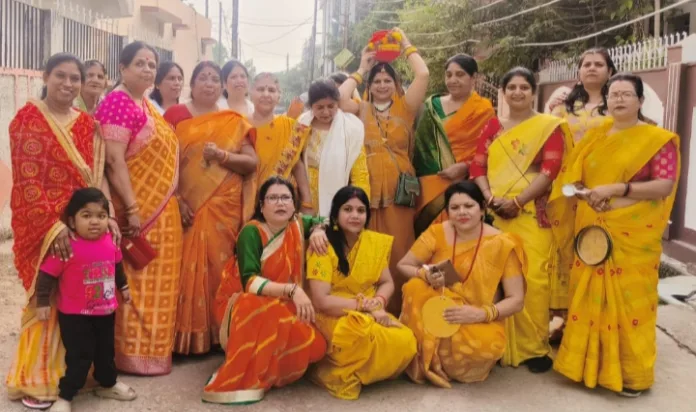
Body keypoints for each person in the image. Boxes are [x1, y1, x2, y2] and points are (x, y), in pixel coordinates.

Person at [549, 73, 680, 397]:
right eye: (614, 94)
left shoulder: (657, 139)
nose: (619, 99)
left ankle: (631, 375)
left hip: (632, 230)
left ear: (640, 100)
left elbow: (663, 185)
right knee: (588, 295)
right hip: (592, 224)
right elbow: (575, 174)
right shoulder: (596, 135)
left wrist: (617, 189)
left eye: (626, 94)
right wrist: (584, 192)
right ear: (606, 100)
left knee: (630, 302)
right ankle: (585, 367)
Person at [5, 53, 120, 411]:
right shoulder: (27, 119)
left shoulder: (86, 124)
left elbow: (94, 177)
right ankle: (41, 378)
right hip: (45, 225)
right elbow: (27, 179)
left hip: (85, 224)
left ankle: (82, 375)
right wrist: (53, 226)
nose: (68, 84)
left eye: (75, 78)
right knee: (47, 298)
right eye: (61, 76)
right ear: (46, 76)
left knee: (82, 297)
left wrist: (106, 215)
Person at [470, 67, 573, 373]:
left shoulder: (548, 127)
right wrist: (489, 198)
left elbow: (550, 170)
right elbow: (477, 167)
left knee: (534, 278)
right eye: (511, 87)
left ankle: (533, 348)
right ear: (503, 92)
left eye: (524, 87)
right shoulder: (492, 127)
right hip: (496, 212)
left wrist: (518, 201)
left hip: (531, 212)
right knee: (495, 277)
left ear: (533, 92)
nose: (517, 92)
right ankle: (497, 345)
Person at [94, 41, 183, 375]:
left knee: (156, 284)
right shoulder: (118, 102)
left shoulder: (145, 104)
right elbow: (113, 161)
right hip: (137, 212)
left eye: (152, 64)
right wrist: (131, 208)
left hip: (160, 211)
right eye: (140, 64)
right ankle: (129, 354)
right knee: (135, 281)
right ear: (122, 68)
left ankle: (153, 352)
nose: (147, 69)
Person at [202, 177, 327, 405]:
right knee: (257, 306)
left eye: (285, 198)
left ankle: (267, 366)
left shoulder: (297, 225)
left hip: (281, 303)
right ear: (262, 206)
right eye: (273, 198)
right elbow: (249, 283)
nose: (280, 203)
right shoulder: (251, 233)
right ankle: (248, 370)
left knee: (317, 347)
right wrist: (292, 291)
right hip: (241, 306)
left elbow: (327, 220)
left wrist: (318, 229)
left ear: (293, 205)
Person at [164, 61, 258, 355]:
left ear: (222, 86)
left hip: (224, 207)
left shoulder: (233, 119)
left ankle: (220, 334)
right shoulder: (175, 116)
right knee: (182, 269)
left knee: (221, 267)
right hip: (186, 206)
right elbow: (163, 163)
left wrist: (222, 156)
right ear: (191, 85)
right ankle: (182, 338)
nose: (209, 83)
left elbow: (251, 163)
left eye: (214, 79)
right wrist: (177, 199)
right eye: (202, 78)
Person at [397, 181, 526, 387]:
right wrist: (425, 274)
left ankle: (442, 359)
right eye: (455, 207)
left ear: (482, 209)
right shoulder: (437, 233)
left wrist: (480, 314)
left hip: (477, 317)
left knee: (487, 346)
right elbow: (404, 265)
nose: (462, 212)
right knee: (415, 287)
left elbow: (516, 300)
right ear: (447, 212)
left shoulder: (501, 243)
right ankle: (428, 360)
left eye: (469, 206)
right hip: (439, 312)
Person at [338, 27, 430, 314]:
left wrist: (405, 44)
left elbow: (423, 74)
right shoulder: (361, 108)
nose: (381, 85)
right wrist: (361, 68)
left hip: (399, 193)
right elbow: (338, 98)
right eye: (376, 81)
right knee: (367, 250)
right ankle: (369, 309)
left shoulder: (406, 106)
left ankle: (402, 310)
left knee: (400, 249)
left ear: (396, 83)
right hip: (365, 193)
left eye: (387, 80)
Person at [307, 186, 417, 399]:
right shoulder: (322, 245)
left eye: (361, 210)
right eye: (347, 209)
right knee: (356, 334)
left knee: (406, 340)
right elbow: (321, 301)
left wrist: (377, 302)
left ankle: (362, 371)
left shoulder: (374, 243)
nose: (355, 215)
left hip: (370, 309)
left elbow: (387, 282)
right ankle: (334, 371)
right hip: (334, 314)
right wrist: (363, 307)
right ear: (335, 214)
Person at [36, 188, 136, 412]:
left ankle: (108, 384)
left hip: (106, 312)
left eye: (101, 216)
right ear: (72, 221)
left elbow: (117, 266)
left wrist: (124, 287)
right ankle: (66, 396)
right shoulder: (66, 247)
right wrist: (42, 302)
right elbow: (47, 275)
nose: (94, 222)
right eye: (86, 215)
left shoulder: (111, 241)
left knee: (106, 353)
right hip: (75, 317)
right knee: (79, 357)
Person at [412, 54, 496, 237]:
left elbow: (490, 151)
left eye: (460, 74)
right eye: (449, 75)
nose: (453, 80)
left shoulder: (483, 110)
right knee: (427, 240)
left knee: (459, 239)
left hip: (464, 186)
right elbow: (419, 147)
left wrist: (465, 167)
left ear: (473, 78)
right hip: (427, 188)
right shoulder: (432, 107)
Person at [298, 79, 370, 217]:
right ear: (311, 106)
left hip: (339, 196)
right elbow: (294, 161)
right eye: (320, 107)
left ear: (338, 103)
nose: (326, 112)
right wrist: (304, 199)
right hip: (306, 197)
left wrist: (360, 207)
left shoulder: (351, 128)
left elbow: (360, 173)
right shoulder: (302, 124)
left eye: (331, 106)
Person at [249, 72, 313, 214]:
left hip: (280, 202)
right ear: (251, 93)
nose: (266, 94)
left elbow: (297, 165)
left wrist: (307, 202)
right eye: (260, 89)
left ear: (279, 96)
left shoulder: (290, 126)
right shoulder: (241, 125)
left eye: (272, 90)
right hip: (246, 201)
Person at [548, 48, 616, 143]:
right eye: (587, 65)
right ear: (579, 73)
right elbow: (550, 139)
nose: (592, 68)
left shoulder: (619, 103)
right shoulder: (564, 104)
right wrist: (550, 109)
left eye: (599, 65)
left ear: (609, 72)